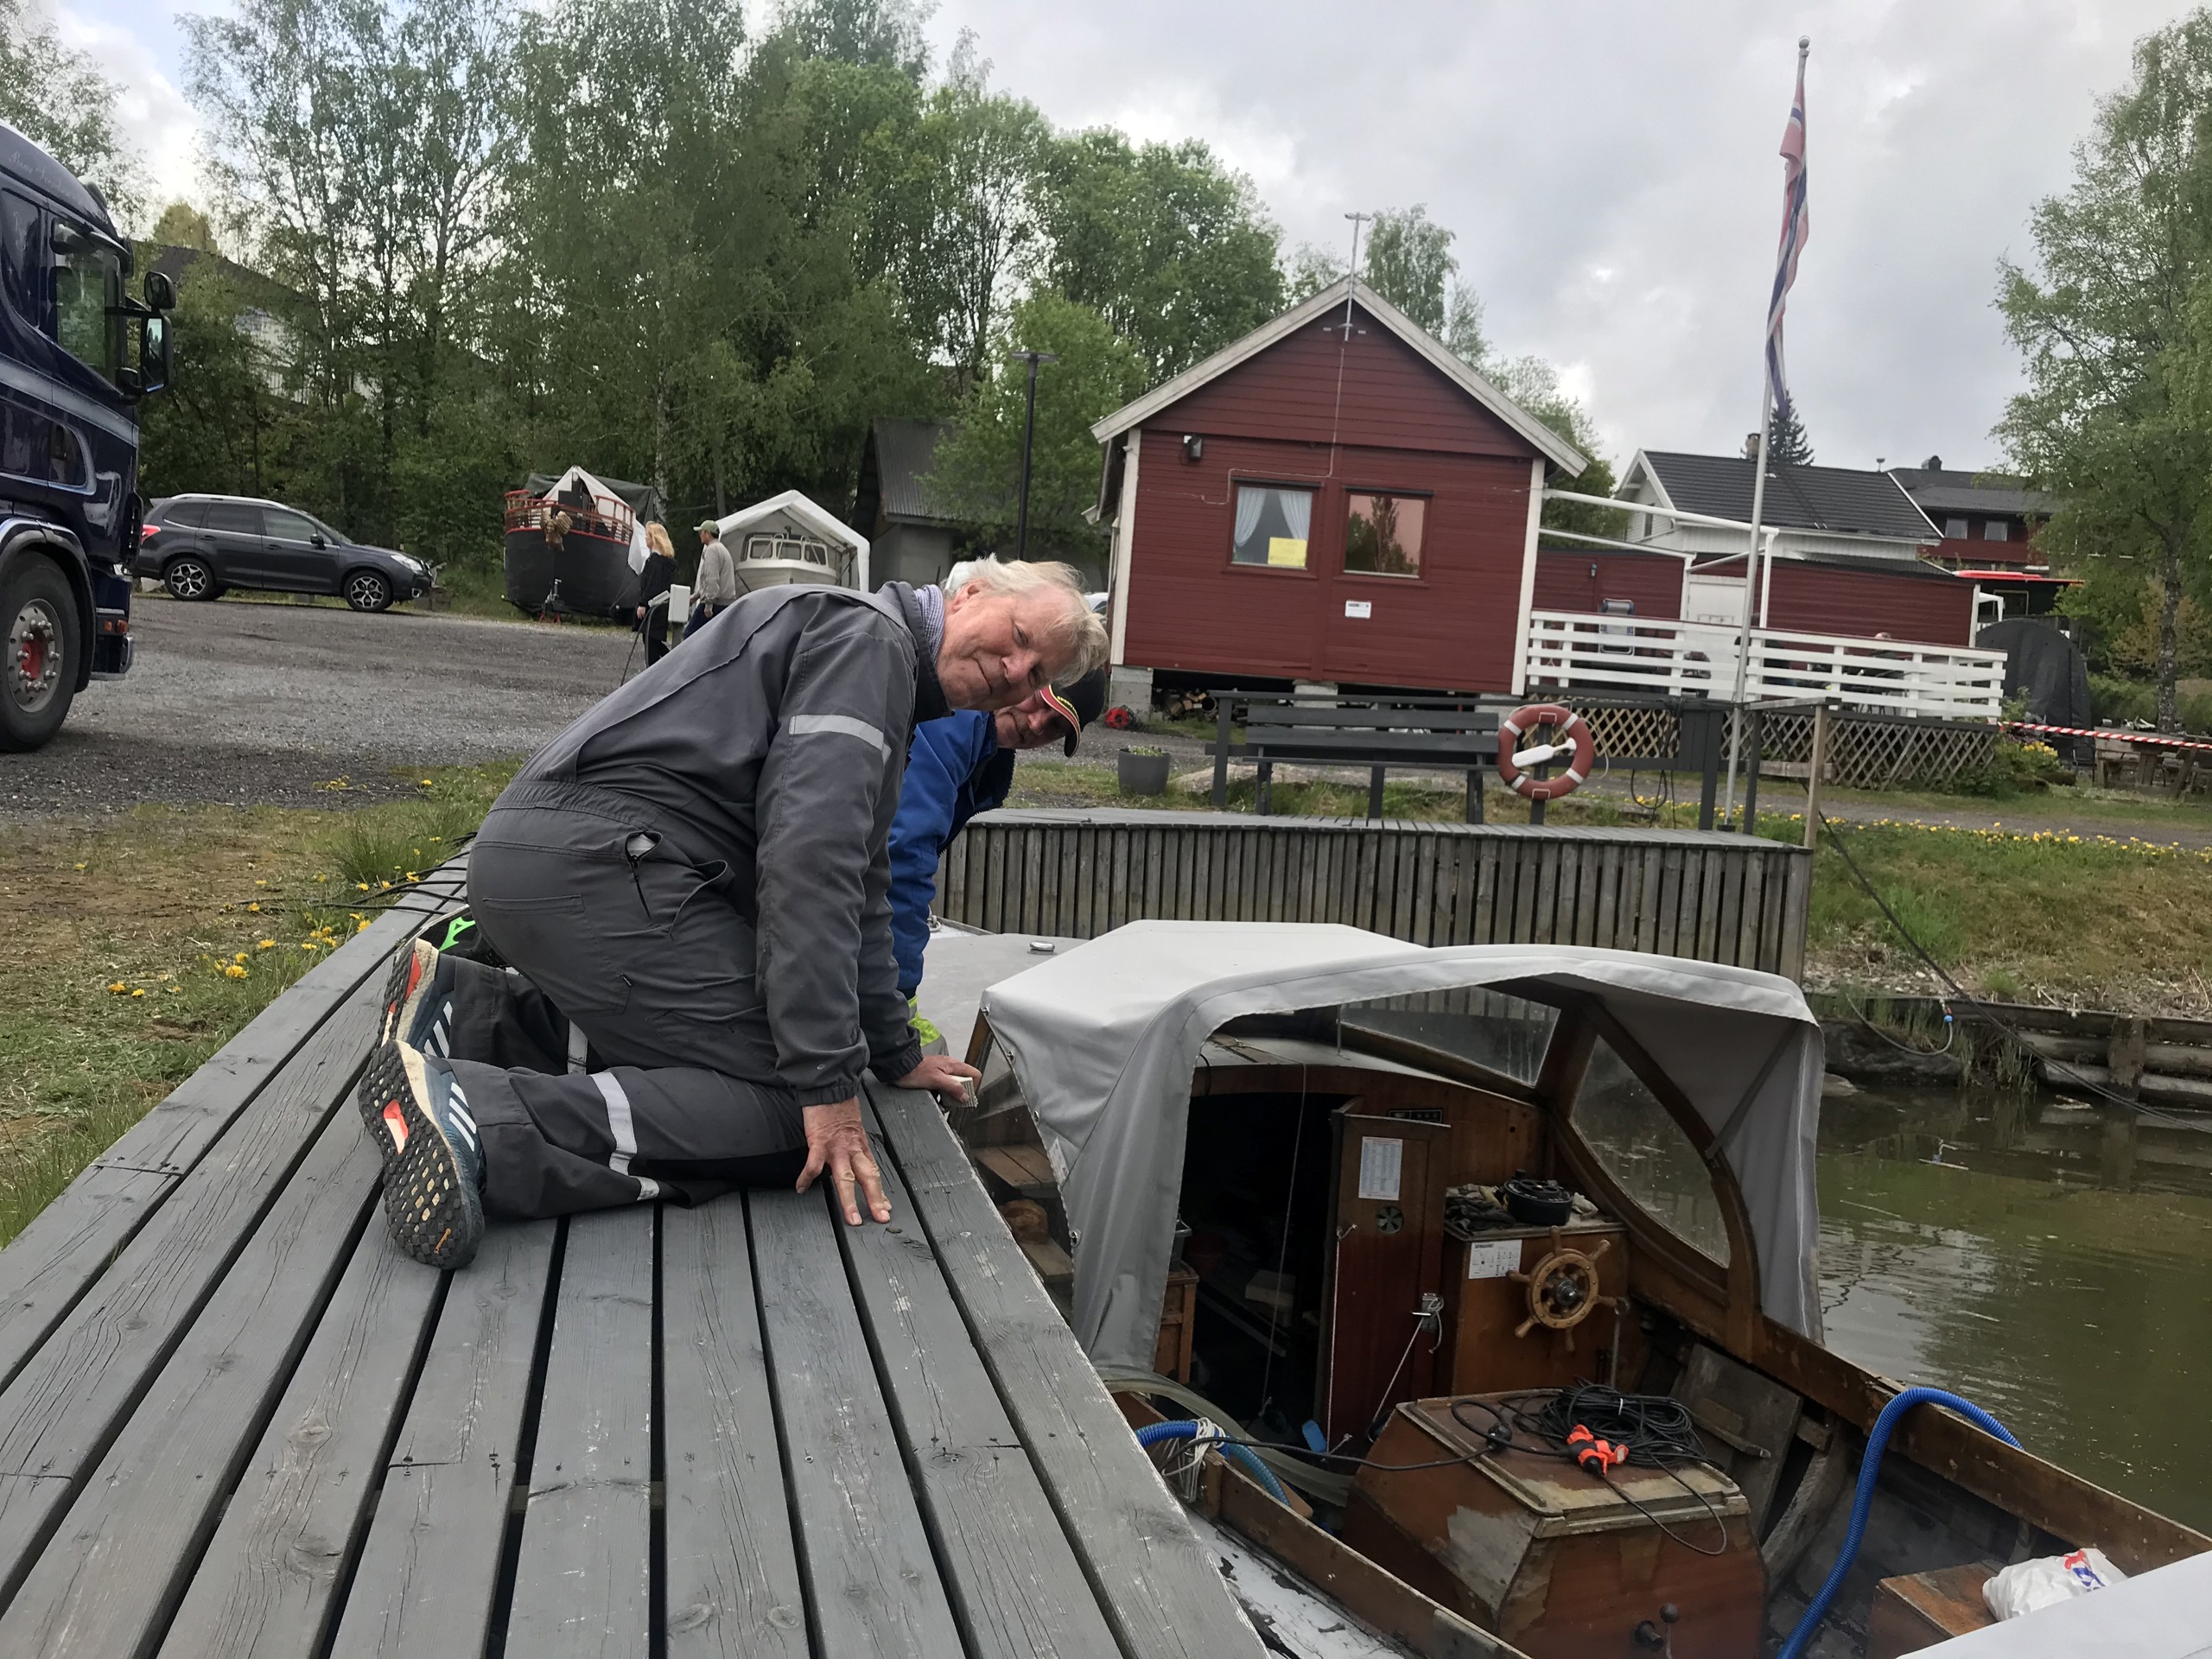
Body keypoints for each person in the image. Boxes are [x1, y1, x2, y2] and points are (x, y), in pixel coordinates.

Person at [359, 556, 1107, 1270]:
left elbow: (865, 885)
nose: (1016, 672)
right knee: (790, 1112)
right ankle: (485, 1121)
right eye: (1019, 637)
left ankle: (473, 1013)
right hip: (599, 869)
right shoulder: (869, 648)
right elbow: (811, 870)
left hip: (565, 861)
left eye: (1038, 674)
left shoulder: (877, 659)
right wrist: (827, 1084)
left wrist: (892, 1050)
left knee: (776, 1066)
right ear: (971, 594)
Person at [888, 663, 1107, 1026]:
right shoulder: (953, 727)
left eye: (1055, 727)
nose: (1036, 724)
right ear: (1022, 676)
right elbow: (902, 860)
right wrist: (900, 1001)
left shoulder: (979, 746)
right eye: (1041, 701)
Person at [636, 522, 675, 664]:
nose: (645, 538)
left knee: (651, 642)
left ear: (654, 538)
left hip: (654, 610)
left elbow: (653, 585)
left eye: (647, 535)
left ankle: (662, 668)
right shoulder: (664, 562)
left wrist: (643, 603)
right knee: (653, 641)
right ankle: (672, 663)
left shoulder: (656, 562)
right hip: (660, 608)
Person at [690, 518, 736, 634]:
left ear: (708, 534)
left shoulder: (712, 550)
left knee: (690, 634)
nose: (700, 535)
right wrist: (696, 596)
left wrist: (709, 604)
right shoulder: (722, 548)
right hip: (725, 602)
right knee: (714, 637)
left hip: (715, 603)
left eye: (701, 532)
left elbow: (712, 578)